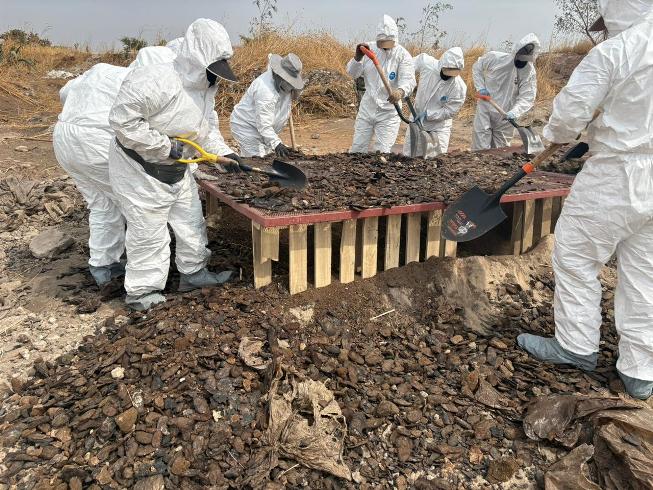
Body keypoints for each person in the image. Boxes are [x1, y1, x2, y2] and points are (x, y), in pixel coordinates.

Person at [517, 0, 653, 400]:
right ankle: (641, 370)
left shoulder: (616, 51)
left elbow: (568, 115)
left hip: (617, 174)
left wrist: (558, 134)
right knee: (645, 271)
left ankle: (576, 346)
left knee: (576, 254)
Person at [108, 19, 240, 311]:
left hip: (177, 167)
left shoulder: (205, 88)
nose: (215, 77)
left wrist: (226, 154)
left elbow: (204, 129)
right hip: (140, 169)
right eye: (212, 69)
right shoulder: (156, 79)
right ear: (197, 60)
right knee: (149, 232)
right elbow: (122, 121)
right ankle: (143, 293)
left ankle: (193, 274)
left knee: (191, 222)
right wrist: (163, 146)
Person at [53, 46, 176, 286]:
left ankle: (104, 267)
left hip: (64, 139)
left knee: (102, 204)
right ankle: (144, 283)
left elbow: (65, 92)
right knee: (141, 207)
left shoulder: (103, 70)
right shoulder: (142, 84)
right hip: (97, 144)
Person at [347, 15, 415, 153]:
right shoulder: (368, 50)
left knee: (382, 152)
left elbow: (409, 80)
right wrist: (357, 58)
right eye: (382, 43)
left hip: (389, 112)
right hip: (367, 107)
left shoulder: (402, 55)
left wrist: (400, 92)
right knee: (357, 149)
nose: (385, 47)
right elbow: (352, 73)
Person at [471, 33, 540, 150]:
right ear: (515, 53)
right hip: (485, 108)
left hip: (506, 114)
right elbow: (477, 68)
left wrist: (514, 112)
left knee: (501, 150)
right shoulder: (495, 58)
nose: (522, 62)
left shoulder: (529, 71)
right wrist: (481, 87)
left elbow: (527, 96)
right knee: (480, 147)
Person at [230, 53, 304, 158]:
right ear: (280, 75)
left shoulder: (283, 84)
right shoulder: (265, 91)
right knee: (257, 160)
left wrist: (295, 91)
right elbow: (263, 124)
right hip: (247, 127)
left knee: (268, 157)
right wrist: (276, 143)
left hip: (264, 128)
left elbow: (292, 97)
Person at [402, 47, 467, 158]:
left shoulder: (459, 87)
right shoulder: (427, 64)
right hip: (416, 119)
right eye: (446, 72)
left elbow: (450, 111)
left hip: (439, 127)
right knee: (409, 157)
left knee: (437, 160)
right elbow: (406, 66)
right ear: (441, 64)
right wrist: (404, 85)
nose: (448, 76)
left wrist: (428, 114)